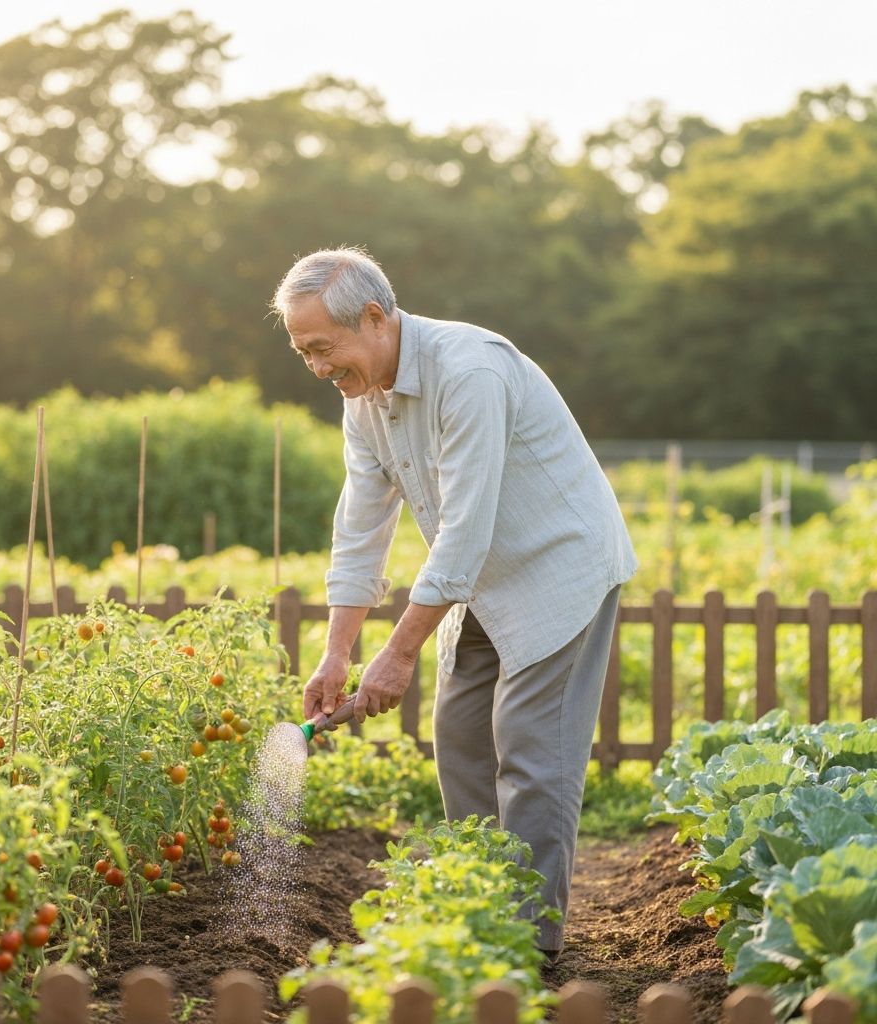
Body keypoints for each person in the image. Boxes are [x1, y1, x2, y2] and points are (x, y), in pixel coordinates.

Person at [270, 246, 637, 957]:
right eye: (301, 352)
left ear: (375, 318)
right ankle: (481, 903)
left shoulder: (468, 371)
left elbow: (466, 528)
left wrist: (398, 653)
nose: (316, 367)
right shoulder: (364, 399)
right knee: (462, 739)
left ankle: (530, 946)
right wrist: (337, 654)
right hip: (477, 578)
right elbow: (360, 529)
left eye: (323, 348)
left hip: (556, 566)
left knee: (532, 758)